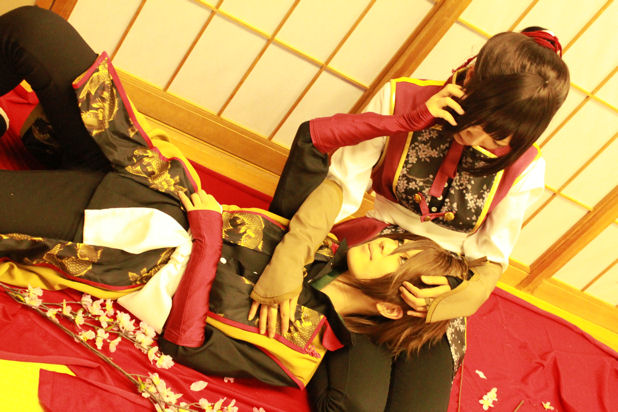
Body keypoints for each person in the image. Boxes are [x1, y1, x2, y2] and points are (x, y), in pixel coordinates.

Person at [0, 6, 468, 411]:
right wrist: (401, 122)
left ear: (390, 308)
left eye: (400, 261)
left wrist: (206, 236)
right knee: (34, 29)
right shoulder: (318, 245)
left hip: (111, 232)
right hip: (143, 168)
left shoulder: (298, 350)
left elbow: (186, 342)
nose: (387, 244)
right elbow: (313, 141)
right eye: (400, 242)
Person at [250, 26, 570, 411]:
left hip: (441, 276)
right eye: (476, 123)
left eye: (497, 140)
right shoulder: (402, 97)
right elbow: (341, 187)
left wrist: (460, 297)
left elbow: (491, 255)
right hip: (375, 250)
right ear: (470, 78)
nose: (477, 141)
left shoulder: (527, 165)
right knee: (351, 406)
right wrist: (290, 256)